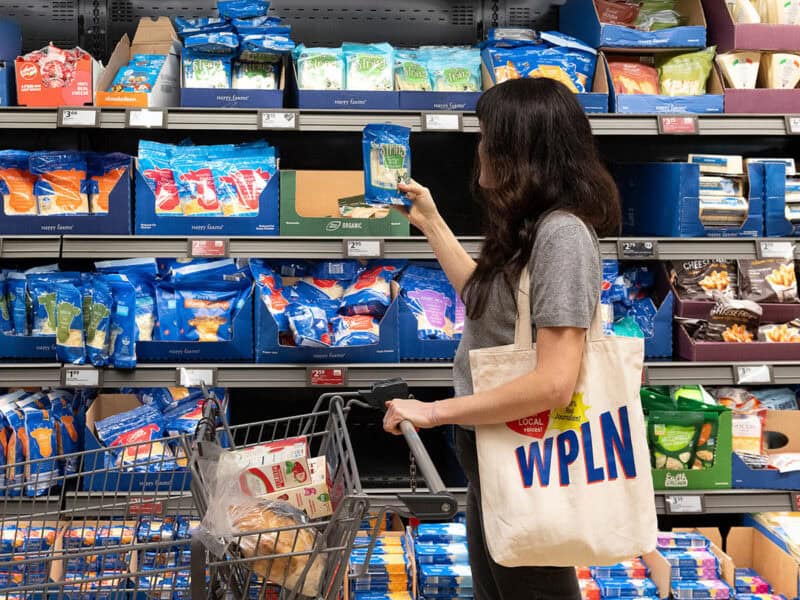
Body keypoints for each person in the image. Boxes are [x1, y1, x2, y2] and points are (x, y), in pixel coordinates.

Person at [382, 78, 622, 600]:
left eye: (488, 135)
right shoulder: (529, 228)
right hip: (496, 451)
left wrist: (437, 410)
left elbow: (555, 382)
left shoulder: (562, 237)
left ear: (520, 150)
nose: (480, 148)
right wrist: (432, 224)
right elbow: (488, 308)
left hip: (529, 453)